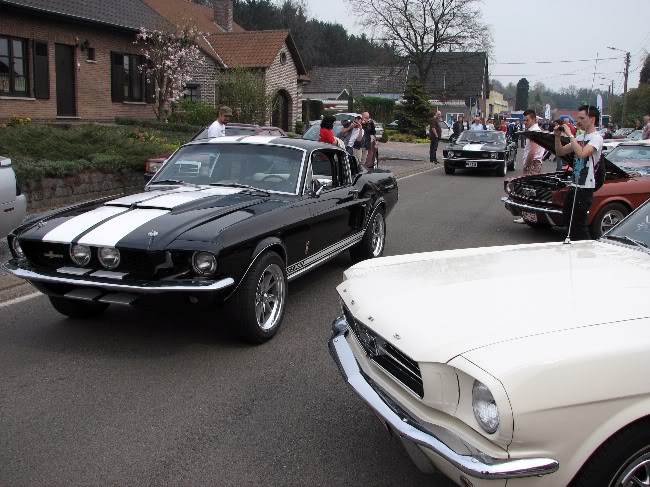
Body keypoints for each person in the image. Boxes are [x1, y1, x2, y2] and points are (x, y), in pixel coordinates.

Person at [554, 105, 604, 241]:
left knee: (579, 224)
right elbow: (560, 152)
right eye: (578, 118)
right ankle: (575, 248)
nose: (579, 121)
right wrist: (557, 137)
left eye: (582, 118)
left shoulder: (597, 138)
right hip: (575, 185)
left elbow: (582, 153)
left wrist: (570, 134)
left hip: (586, 187)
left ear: (592, 119)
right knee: (567, 220)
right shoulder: (581, 137)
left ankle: (585, 251)